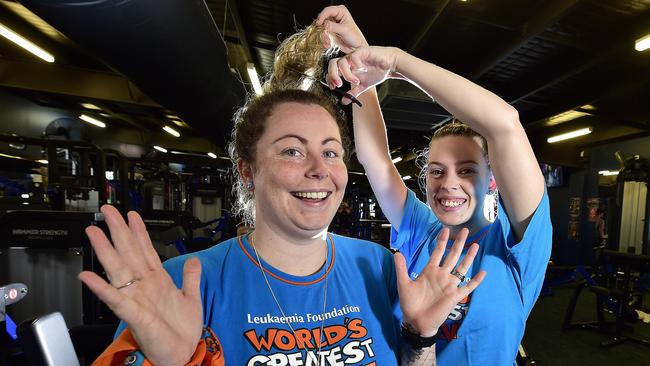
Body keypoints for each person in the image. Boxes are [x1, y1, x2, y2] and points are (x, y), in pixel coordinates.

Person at [79, 26, 486, 364]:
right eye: (292, 150)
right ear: (248, 170)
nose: (318, 169)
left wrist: (421, 338)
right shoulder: (187, 283)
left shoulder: (377, 266)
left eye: (330, 151)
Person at [316, 5, 552, 365]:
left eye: (467, 170)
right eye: (438, 171)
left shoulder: (515, 245)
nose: (449, 184)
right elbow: (377, 159)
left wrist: (397, 63)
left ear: (492, 180)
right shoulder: (419, 230)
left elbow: (504, 122)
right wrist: (359, 55)